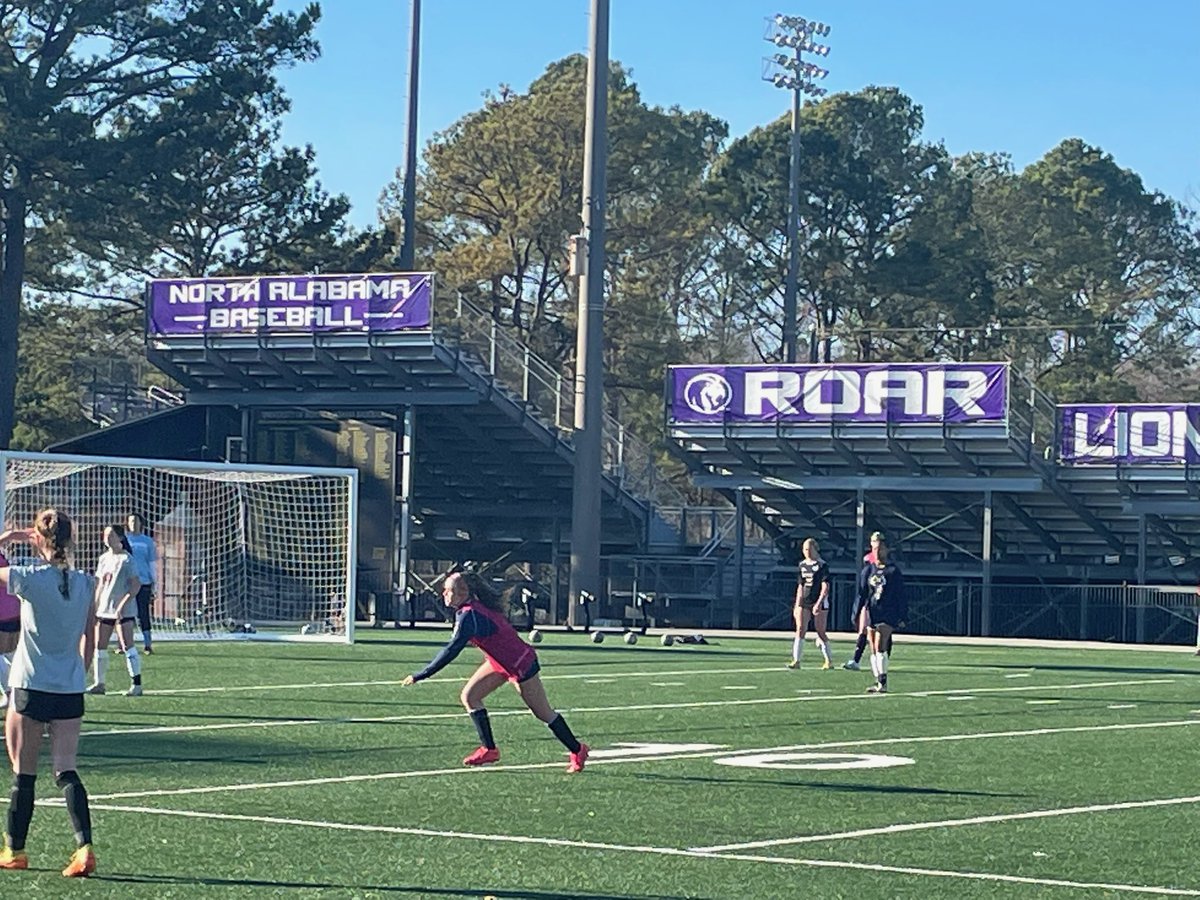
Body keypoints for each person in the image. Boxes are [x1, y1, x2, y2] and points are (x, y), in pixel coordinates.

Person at [401, 572, 589, 772]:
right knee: (470, 696)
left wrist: (422, 674)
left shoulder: (469, 615)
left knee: (543, 713)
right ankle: (489, 749)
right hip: (499, 662)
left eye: (449, 590)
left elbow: (451, 650)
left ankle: (578, 749)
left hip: (520, 663)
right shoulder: (468, 611)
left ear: (464, 592)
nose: (444, 593)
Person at [0, 510, 98, 877]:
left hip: (30, 685)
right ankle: (84, 846)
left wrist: (6, 540)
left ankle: (15, 849)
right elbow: (89, 637)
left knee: (24, 773)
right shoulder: (85, 583)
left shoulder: (28, 578)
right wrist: (79, 673)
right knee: (66, 770)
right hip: (69, 688)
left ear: (37, 539)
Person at [89, 524, 144, 697]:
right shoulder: (104, 558)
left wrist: (121, 605)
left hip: (122, 610)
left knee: (128, 646)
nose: (107, 538)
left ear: (120, 538)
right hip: (104, 608)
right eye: (105, 535)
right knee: (99, 646)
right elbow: (99, 585)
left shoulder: (127, 560)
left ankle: (136, 685)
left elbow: (136, 586)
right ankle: (99, 683)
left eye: (111, 535)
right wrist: (94, 605)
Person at [855, 534, 907, 694]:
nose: (877, 552)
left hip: (888, 612)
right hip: (873, 611)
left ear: (886, 550)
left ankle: (883, 681)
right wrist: (856, 613)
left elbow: (901, 594)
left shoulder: (893, 571)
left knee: (880, 643)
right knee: (872, 647)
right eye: (875, 548)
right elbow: (862, 594)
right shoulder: (868, 570)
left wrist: (903, 616)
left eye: (880, 549)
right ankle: (878, 680)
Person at [788, 538, 834, 670]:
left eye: (809, 549)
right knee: (800, 629)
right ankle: (796, 660)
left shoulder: (822, 565)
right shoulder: (802, 565)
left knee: (820, 631)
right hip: (805, 600)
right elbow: (801, 586)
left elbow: (825, 586)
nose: (806, 552)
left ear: (815, 549)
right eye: (804, 549)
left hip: (818, 600)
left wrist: (819, 602)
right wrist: (797, 604)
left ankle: (828, 660)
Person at [843, 531, 884, 671]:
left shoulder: (887, 560)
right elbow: (864, 584)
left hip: (882, 599)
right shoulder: (868, 559)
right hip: (869, 599)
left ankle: (882, 661)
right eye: (874, 541)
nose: (876, 544)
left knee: (882, 633)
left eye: (879, 541)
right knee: (864, 629)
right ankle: (856, 659)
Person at [125, 513, 158, 654]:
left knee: (143, 613)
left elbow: (151, 563)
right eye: (131, 521)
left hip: (143, 581)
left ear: (141, 523)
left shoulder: (147, 541)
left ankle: (147, 644)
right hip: (127, 582)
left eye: (136, 521)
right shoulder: (125, 540)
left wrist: (154, 582)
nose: (133, 523)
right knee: (125, 614)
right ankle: (125, 644)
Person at [0, 550, 19, 711]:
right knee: (10, 654)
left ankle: (10, 692)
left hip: (4, 611)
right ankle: (13, 691)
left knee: (5, 655)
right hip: (12, 608)